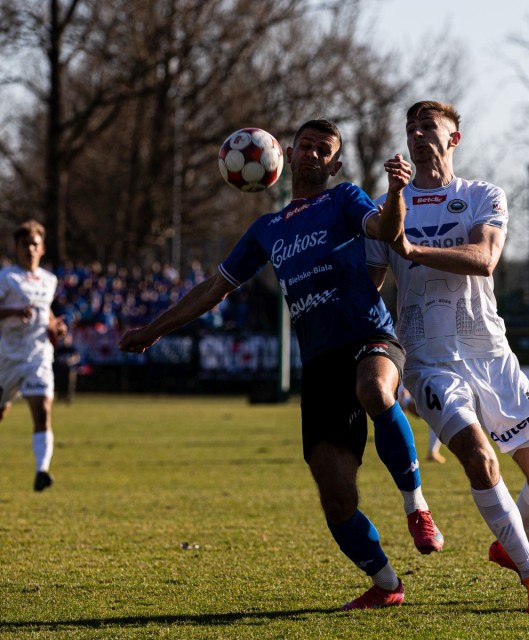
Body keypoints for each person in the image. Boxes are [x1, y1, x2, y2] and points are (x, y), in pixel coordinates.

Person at [119, 119, 442, 610]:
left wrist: (396, 192)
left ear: (335, 164)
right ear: (287, 156)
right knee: (335, 497)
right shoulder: (266, 230)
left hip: (369, 336)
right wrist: (153, 329)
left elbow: (387, 231)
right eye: (306, 146)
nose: (313, 154)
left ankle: (416, 506)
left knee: (376, 391)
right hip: (320, 363)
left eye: (323, 150)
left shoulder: (345, 199)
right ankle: (386, 583)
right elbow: (214, 289)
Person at [367, 101, 529, 614]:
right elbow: (369, 287)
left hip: (491, 353)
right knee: (478, 457)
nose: (417, 134)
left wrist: (413, 250)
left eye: (428, 126)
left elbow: (485, 258)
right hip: (429, 360)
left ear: (453, 138)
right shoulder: (388, 207)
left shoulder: (482, 195)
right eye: (411, 128)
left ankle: (509, 545)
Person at [0, 220, 69, 491]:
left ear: (42, 249)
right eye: (24, 244)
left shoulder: (49, 280)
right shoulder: (7, 278)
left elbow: (45, 312)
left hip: (38, 355)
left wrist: (55, 327)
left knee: (42, 411)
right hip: (7, 357)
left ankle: (42, 470)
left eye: (34, 244)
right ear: (16, 247)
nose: (29, 249)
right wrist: (13, 312)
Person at [399, 381, 445, 463]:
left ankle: (433, 451)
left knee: (435, 413)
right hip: (404, 381)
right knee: (432, 411)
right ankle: (404, 401)